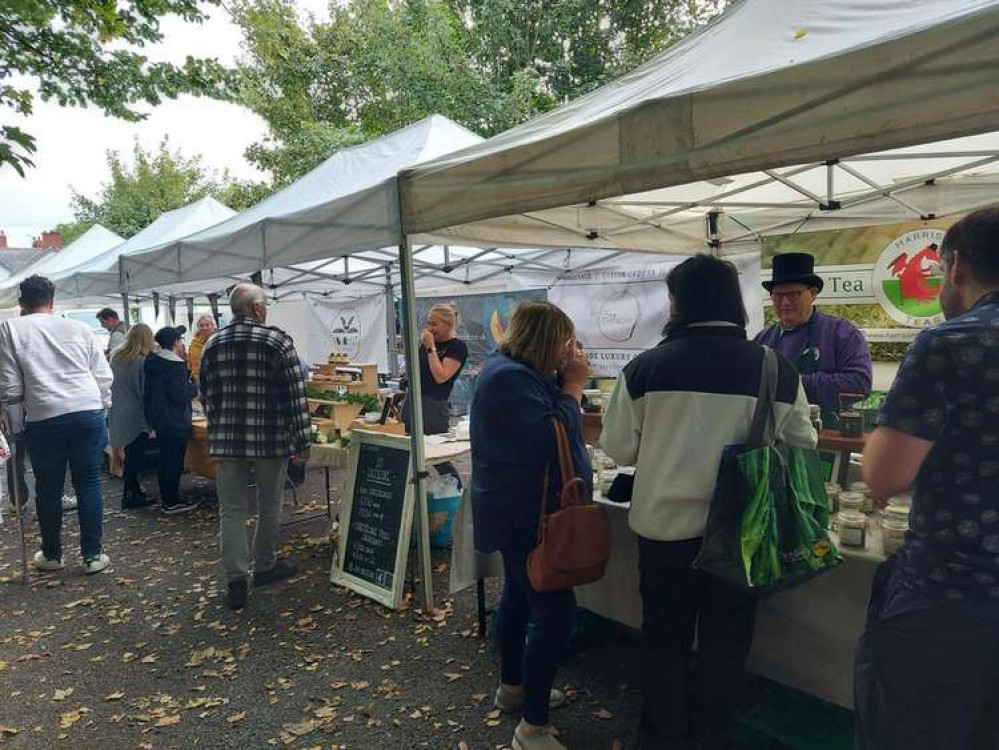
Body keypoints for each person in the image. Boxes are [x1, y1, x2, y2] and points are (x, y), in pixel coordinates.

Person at [600, 255, 816, 750]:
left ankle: (661, 739)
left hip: (664, 534)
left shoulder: (646, 367)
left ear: (680, 303)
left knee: (664, 643)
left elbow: (618, 449)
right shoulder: (773, 367)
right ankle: (714, 738)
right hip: (742, 533)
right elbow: (801, 442)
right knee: (725, 648)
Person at [855, 206, 999, 750]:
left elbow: (885, 475)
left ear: (957, 265)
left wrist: (881, 436)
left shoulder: (949, 343)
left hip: (951, 602)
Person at [470, 300, 592, 750]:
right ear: (546, 341)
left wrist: (565, 381)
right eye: (565, 342)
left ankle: (514, 688)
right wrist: (575, 386)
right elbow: (551, 435)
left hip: (515, 509)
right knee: (556, 612)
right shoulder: (509, 379)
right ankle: (533, 727)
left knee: (519, 599)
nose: (569, 351)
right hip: (525, 514)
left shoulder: (510, 371)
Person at [199, 283, 311, 610]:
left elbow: (204, 394)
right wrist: (303, 442)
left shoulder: (212, 343)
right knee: (269, 504)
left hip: (226, 441)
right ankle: (265, 565)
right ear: (258, 309)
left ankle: (236, 579)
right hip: (270, 440)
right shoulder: (277, 341)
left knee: (231, 510)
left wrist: (219, 424)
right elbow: (295, 398)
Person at [0, 275, 113, 574]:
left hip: (45, 414)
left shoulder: (10, 328)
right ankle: (92, 555)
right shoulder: (79, 328)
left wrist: (14, 429)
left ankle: (52, 554)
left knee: (48, 487)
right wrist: (103, 406)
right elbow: (102, 374)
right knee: (88, 482)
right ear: (52, 302)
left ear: (21, 303)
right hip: (87, 409)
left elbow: (10, 387)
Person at [754, 252, 872, 423]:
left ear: (813, 293)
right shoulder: (762, 339)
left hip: (828, 436)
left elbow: (859, 384)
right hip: (773, 438)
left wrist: (793, 383)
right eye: (778, 295)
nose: (785, 302)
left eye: (793, 295)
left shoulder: (842, 333)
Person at [144, 327, 198, 515]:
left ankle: (167, 497)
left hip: (159, 417)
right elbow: (178, 395)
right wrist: (194, 388)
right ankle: (171, 501)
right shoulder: (174, 365)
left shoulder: (152, 361)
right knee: (173, 461)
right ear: (175, 342)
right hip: (175, 420)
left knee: (165, 459)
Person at [108, 323, 156, 510]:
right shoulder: (142, 361)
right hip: (136, 414)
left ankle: (134, 490)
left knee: (128, 455)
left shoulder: (116, 357)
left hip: (118, 411)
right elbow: (145, 392)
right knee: (135, 458)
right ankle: (130, 495)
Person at [402, 303, 468, 435]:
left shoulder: (457, 347)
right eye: (428, 324)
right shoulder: (426, 344)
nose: (430, 328)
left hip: (432, 406)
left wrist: (431, 347)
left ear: (448, 324)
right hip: (412, 401)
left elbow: (440, 377)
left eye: (434, 324)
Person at [187, 315, 216, 381]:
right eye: (201, 325)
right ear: (198, 327)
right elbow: (190, 363)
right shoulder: (194, 343)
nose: (204, 328)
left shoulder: (218, 340)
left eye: (207, 325)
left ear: (213, 326)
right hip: (197, 379)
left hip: (215, 378)